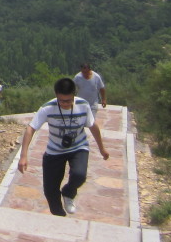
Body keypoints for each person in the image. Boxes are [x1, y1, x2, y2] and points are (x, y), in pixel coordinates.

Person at [17, 77, 109, 216]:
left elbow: (93, 126)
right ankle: (59, 215)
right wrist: (23, 155)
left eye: (69, 100)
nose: (65, 104)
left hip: (78, 146)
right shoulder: (47, 108)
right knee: (50, 190)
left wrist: (102, 148)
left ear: (74, 95)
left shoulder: (83, 105)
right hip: (54, 151)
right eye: (62, 101)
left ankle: (68, 193)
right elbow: (30, 128)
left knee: (79, 175)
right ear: (56, 95)